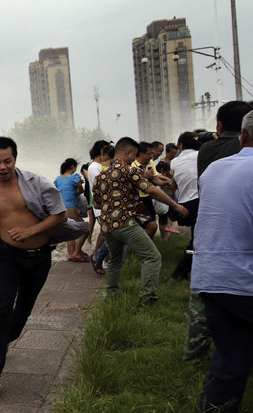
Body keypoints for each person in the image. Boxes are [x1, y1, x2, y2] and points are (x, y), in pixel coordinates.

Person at [0, 137, 69, 392]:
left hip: (39, 257)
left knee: (22, 313)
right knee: (1, 309)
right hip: (9, 256)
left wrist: (32, 230)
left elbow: (60, 215)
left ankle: (2, 340)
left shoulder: (36, 183)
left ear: (15, 159)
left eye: (7, 161)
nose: (2, 166)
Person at [191, 109, 253, 412]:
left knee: (230, 360)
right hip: (245, 282)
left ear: (242, 136)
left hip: (210, 278)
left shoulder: (213, 169)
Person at [92, 137, 188, 306]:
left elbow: (98, 203)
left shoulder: (101, 175)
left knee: (114, 260)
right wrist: (175, 206)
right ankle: (147, 299)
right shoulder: (129, 170)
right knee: (152, 257)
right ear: (128, 153)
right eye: (134, 155)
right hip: (125, 223)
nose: (134, 159)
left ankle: (112, 296)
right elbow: (151, 190)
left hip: (107, 225)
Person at [169, 131, 200, 281]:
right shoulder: (200, 155)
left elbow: (174, 181)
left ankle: (186, 271)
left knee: (197, 238)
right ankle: (180, 272)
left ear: (180, 146)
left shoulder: (174, 162)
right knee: (196, 241)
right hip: (199, 200)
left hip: (185, 203)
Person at [131, 141, 173, 239]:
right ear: (141, 154)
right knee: (151, 225)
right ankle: (143, 248)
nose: (151, 156)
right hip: (137, 202)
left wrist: (167, 182)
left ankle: (145, 248)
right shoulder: (132, 166)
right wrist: (144, 177)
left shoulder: (150, 163)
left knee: (151, 225)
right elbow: (133, 185)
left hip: (147, 200)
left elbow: (156, 178)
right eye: (149, 154)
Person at [87, 140, 114, 275]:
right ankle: (98, 257)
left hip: (106, 205)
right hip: (101, 206)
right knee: (108, 234)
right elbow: (101, 186)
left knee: (105, 234)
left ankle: (97, 256)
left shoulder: (100, 166)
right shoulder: (94, 168)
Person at [54, 158, 87, 262]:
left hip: (61, 208)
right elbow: (81, 190)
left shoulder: (58, 179)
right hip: (71, 208)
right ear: (72, 166)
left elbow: (55, 192)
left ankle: (71, 254)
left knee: (70, 230)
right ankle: (76, 253)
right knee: (85, 229)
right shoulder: (74, 177)